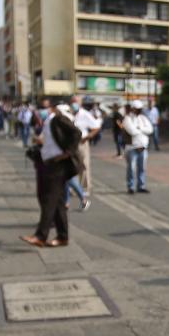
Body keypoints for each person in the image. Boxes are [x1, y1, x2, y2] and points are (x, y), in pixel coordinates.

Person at [22, 102, 83, 247]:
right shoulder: (50, 122)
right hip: (51, 163)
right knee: (58, 202)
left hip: (57, 165)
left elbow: (77, 133)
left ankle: (40, 236)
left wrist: (67, 152)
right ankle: (63, 236)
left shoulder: (58, 119)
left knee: (49, 200)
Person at [73, 96, 103, 203]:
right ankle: (74, 188)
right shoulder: (68, 113)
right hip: (70, 143)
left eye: (75, 102)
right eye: (72, 102)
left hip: (81, 142)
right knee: (73, 165)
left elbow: (96, 127)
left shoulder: (85, 114)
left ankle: (85, 187)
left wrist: (87, 137)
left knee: (84, 164)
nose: (73, 104)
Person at [122, 100, 154, 194]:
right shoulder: (127, 119)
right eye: (137, 109)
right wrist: (143, 130)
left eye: (140, 109)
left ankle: (141, 186)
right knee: (131, 168)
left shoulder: (143, 118)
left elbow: (150, 130)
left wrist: (140, 128)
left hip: (143, 147)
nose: (139, 110)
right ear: (133, 109)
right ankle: (130, 187)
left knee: (142, 168)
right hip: (132, 148)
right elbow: (132, 131)